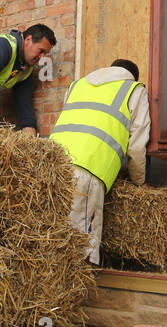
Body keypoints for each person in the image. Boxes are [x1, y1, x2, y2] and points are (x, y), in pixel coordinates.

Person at [49, 58, 150, 264]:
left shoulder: (78, 85)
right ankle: (73, 294)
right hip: (88, 168)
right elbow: (137, 145)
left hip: (52, 164)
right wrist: (138, 182)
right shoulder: (133, 90)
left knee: (49, 235)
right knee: (80, 244)